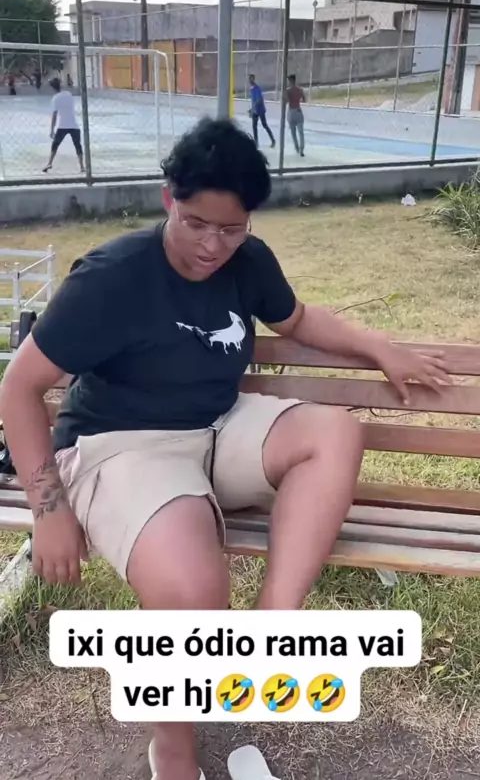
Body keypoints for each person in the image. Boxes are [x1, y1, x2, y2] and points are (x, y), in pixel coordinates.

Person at [0, 117, 451, 780]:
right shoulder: (112, 277)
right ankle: (173, 751)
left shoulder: (249, 261)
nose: (213, 246)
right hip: (122, 446)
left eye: (232, 229)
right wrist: (49, 510)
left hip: (216, 427)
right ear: (168, 199)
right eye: (196, 223)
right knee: (194, 592)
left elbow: (297, 319)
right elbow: (19, 386)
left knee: (334, 432)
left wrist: (380, 346)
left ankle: (270, 635)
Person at [43, 77, 85, 174]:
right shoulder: (68, 94)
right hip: (74, 125)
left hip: (62, 125)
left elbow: (54, 115)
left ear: (52, 88)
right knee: (78, 145)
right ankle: (82, 166)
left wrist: (52, 130)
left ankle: (49, 163)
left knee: (55, 145)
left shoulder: (55, 99)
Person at [249, 74, 275, 149]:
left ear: (254, 79)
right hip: (255, 111)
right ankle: (256, 143)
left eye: (251, 79)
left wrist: (253, 108)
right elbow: (253, 100)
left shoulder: (257, 88)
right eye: (249, 79)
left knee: (264, 125)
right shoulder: (251, 89)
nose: (250, 80)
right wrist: (252, 109)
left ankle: (273, 140)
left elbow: (259, 100)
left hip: (260, 110)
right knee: (254, 127)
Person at [286, 73, 306, 157]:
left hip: (291, 112)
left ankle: (297, 148)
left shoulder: (287, 91)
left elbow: (286, 101)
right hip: (298, 110)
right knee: (301, 132)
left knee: (293, 132)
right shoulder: (300, 90)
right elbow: (304, 100)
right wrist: (297, 100)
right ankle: (301, 150)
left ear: (290, 80)